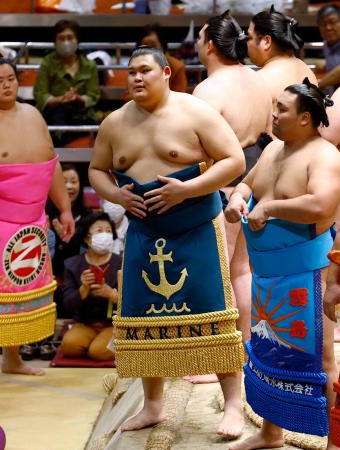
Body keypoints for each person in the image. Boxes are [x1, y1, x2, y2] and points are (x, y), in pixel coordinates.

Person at [89, 46, 245, 435]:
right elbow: (96, 169)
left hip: (195, 229)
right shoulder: (114, 123)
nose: (136, 78)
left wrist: (187, 189)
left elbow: (234, 160)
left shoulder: (195, 112)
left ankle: (233, 406)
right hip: (144, 231)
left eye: (145, 70)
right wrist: (116, 194)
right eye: (131, 72)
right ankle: (153, 406)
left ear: (165, 73)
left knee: (215, 317)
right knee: (143, 322)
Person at [225, 78, 340, 450]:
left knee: (319, 358)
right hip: (267, 275)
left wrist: (271, 208)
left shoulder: (325, 156)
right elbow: (247, 185)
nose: (273, 116)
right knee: (267, 352)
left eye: (282, 110)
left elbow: (322, 205)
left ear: (305, 118)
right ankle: (270, 433)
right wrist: (237, 201)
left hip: (308, 273)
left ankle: (333, 442)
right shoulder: (274, 148)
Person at [183, 11, 272, 436]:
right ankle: (246, 349)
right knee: (243, 270)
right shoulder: (258, 79)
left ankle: (222, 362)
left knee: (219, 275)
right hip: (259, 179)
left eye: (200, 39)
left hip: (224, 183)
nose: (199, 46)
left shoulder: (207, 88)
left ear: (211, 46)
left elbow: (193, 142)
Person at [0, 58, 75, 376]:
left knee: (20, 290)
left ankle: (12, 359)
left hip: (32, 218)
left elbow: (50, 162)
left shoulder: (33, 114)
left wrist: (64, 208)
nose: (6, 85)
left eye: (10, 78)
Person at [60, 212, 121, 361]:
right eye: (99, 231)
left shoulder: (122, 263)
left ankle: (101, 344)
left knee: (98, 352)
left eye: (108, 231)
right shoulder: (72, 265)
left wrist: (110, 294)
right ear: (87, 238)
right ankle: (95, 343)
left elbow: (135, 302)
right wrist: (84, 289)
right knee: (69, 346)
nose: (105, 235)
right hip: (85, 323)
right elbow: (67, 304)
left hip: (113, 324)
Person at [33, 19, 100, 146]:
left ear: (77, 40)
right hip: (54, 113)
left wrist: (78, 98)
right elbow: (40, 93)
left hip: (81, 115)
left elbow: (93, 95)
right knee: (57, 116)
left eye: (70, 37)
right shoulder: (48, 62)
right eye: (61, 38)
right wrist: (60, 99)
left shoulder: (89, 65)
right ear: (55, 41)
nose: (66, 42)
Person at [247, 5, 318, 120]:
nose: (246, 43)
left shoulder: (259, 80)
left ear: (266, 41)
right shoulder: (306, 69)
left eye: (249, 37)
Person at [47, 163, 92, 280]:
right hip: (50, 279)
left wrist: (67, 238)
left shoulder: (88, 216)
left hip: (78, 280)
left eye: (73, 181)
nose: (69, 186)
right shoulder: (46, 214)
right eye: (63, 182)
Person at [139, 23, 188, 92]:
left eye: (153, 45)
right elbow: (128, 95)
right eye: (144, 46)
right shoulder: (136, 66)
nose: (149, 50)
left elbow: (180, 96)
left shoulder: (176, 67)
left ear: (163, 47)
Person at [316, 4, 340, 93]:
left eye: (332, 22)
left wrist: (318, 85)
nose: (328, 28)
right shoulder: (326, 43)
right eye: (323, 24)